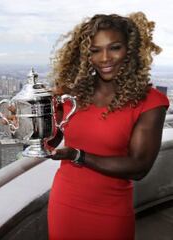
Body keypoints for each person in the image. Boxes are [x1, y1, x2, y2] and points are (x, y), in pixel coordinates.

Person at [45, 12, 170, 239]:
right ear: (86, 55)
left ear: (129, 51)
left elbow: (139, 166)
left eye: (114, 48)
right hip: (65, 203)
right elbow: (50, 140)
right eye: (95, 50)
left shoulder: (151, 102)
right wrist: (27, 125)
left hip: (111, 211)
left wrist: (78, 155)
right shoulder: (70, 94)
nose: (105, 58)